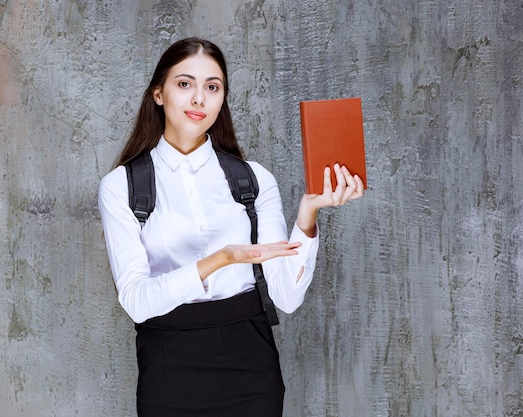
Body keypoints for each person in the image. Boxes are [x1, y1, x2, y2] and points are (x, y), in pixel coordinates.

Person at [98, 37, 364, 417]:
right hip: (169, 367)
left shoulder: (254, 180)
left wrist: (308, 214)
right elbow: (137, 303)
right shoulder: (122, 186)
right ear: (158, 93)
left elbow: (287, 298)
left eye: (212, 87)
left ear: (222, 98)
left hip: (250, 361)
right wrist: (223, 258)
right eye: (184, 84)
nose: (199, 99)